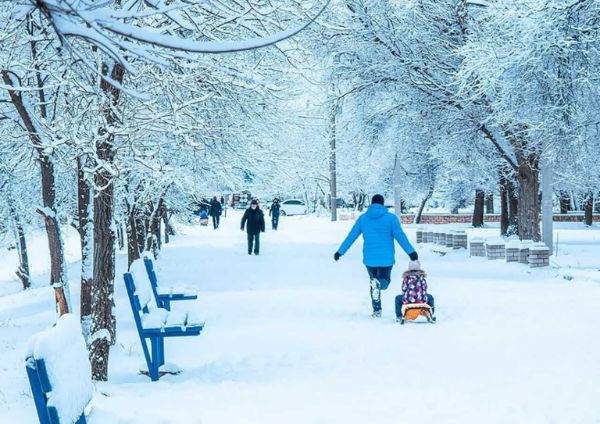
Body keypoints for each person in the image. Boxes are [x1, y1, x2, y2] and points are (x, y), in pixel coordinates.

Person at [334, 194, 418, 317]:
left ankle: (377, 310)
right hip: (386, 258)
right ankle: (380, 282)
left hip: (370, 259)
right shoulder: (391, 218)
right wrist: (411, 252)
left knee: (374, 285)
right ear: (382, 204)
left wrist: (340, 252)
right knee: (384, 281)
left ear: (371, 204)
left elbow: (351, 236)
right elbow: (400, 236)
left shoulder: (363, 219)